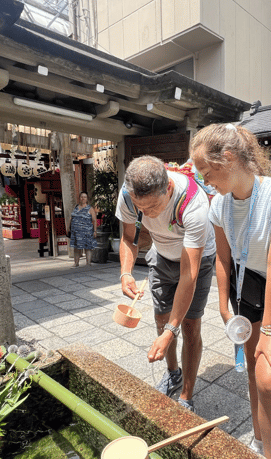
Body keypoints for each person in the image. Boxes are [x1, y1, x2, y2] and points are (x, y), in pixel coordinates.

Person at [190, 124, 271, 459]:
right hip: (246, 287)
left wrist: (270, 331)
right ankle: (259, 441)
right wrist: (223, 305)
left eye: (206, 172)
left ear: (228, 158)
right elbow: (223, 260)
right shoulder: (219, 206)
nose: (205, 182)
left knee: (269, 379)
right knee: (254, 372)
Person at [116, 156, 216, 413]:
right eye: (141, 208)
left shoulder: (193, 203)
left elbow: (189, 275)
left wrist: (173, 330)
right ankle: (173, 373)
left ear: (168, 188)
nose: (147, 214)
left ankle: (186, 396)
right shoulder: (128, 195)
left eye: (153, 207)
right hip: (161, 254)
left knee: (189, 326)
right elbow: (129, 237)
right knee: (162, 320)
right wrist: (126, 272)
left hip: (196, 259)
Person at [69, 191, 97, 267]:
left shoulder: (90, 208)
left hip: (87, 232)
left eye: (85, 197)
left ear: (87, 199)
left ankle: (88, 263)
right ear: (79, 198)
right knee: (76, 247)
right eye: (82, 197)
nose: (83, 198)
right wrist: (68, 228)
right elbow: (71, 218)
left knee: (88, 247)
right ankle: (76, 263)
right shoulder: (76, 208)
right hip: (76, 232)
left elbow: (94, 220)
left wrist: (95, 231)